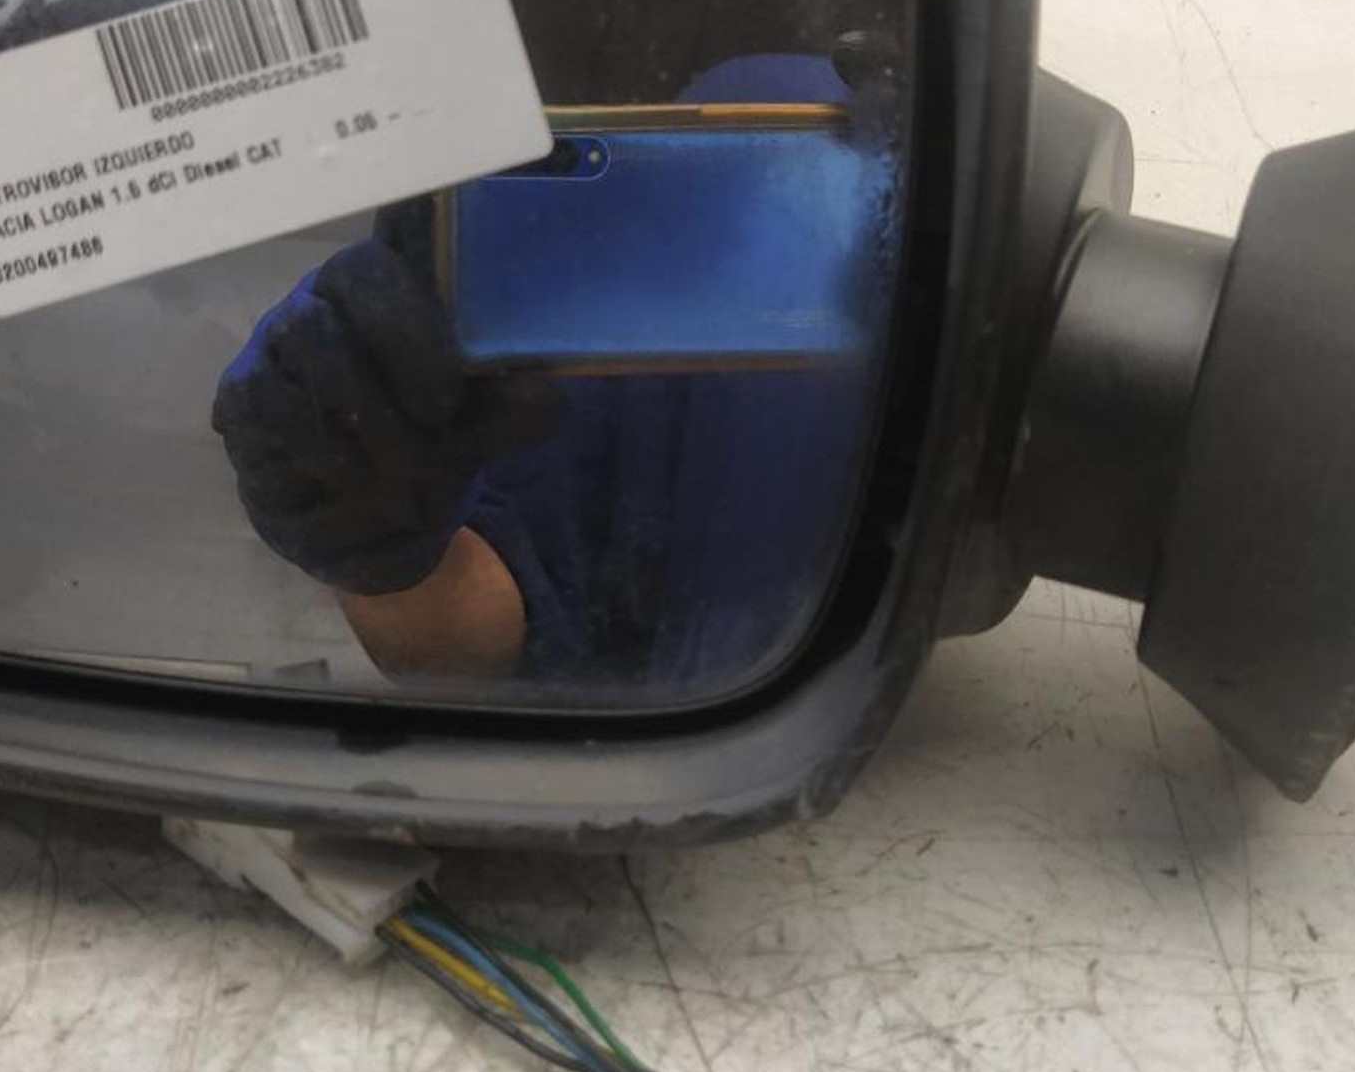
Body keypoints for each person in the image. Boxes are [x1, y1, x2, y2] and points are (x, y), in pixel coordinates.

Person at [212, 54, 882, 690]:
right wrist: (369, 535)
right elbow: (480, 640)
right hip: (699, 745)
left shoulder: (849, 142)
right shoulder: (759, 129)